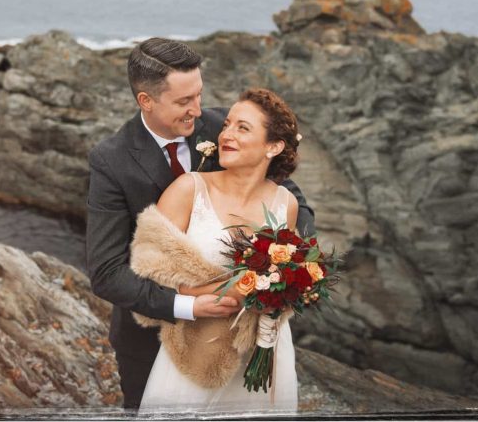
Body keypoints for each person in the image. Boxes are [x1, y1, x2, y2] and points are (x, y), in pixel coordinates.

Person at [85, 37, 314, 410]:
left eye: (199, 95)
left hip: (248, 337)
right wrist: (189, 305)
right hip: (153, 337)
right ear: (146, 100)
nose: (198, 109)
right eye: (183, 102)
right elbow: (107, 272)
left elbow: (294, 204)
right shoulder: (112, 161)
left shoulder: (223, 130)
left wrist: (276, 268)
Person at [132, 87, 303, 414]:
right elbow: (146, 281)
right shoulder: (188, 189)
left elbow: (283, 280)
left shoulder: (286, 204)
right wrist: (232, 290)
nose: (227, 134)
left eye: (243, 127)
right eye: (227, 124)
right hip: (196, 353)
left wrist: (289, 287)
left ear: (274, 146)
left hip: (263, 353)